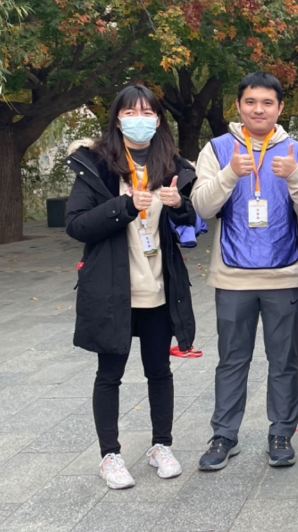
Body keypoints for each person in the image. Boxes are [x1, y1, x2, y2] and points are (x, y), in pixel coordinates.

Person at [65, 84, 197, 489]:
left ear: (158, 120)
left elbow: (187, 225)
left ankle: (161, 446)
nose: (139, 119)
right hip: (113, 292)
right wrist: (124, 206)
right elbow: (77, 224)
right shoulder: (96, 165)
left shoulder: (170, 165)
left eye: (148, 112)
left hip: (158, 289)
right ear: (118, 118)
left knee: (160, 372)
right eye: (131, 111)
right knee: (110, 375)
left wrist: (179, 205)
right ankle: (110, 455)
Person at [191, 72, 298, 471]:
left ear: (280, 108)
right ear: (238, 106)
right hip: (232, 275)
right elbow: (202, 207)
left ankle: (281, 432)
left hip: (285, 274)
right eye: (250, 102)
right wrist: (230, 174)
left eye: (267, 103)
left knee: (284, 360)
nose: (258, 109)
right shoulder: (216, 149)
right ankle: (224, 434)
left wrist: (294, 176)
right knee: (232, 359)